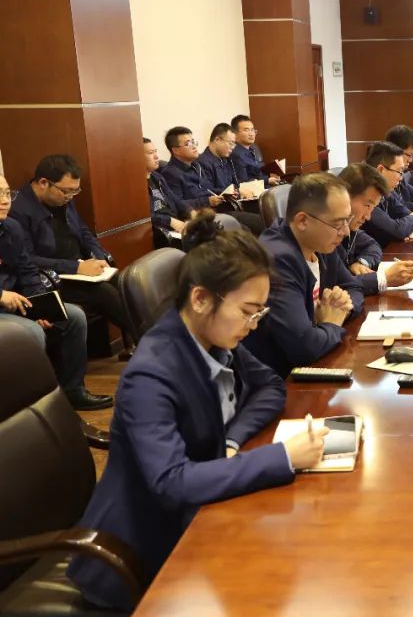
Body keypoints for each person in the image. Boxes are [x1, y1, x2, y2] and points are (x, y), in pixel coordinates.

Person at [67, 212, 329, 610]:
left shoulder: (212, 338)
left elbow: (271, 386)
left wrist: (232, 440)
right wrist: (282, 457)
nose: (253, 325)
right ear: (201, 298)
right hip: (140, 556)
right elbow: (171, 482)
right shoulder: (150, 375)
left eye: (259, 313)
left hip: (203, 514)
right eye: (248, 311)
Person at [0, 172, 108, 411]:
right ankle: (31, 407)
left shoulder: (11, 228)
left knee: (74, 317)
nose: (5, 200)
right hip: (3, 305)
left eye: (7, 193)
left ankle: (73, 391)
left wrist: (40, 304)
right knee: (31, 333)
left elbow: (28, 270)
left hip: (19, 300)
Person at [10, 154, 134, 358]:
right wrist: (76, 268)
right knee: (103, 292)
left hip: (79, 266)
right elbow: (28, 259)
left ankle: (143, 338)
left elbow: (83, 231)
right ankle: (151, 339)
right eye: (66, 191)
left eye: (75, 190)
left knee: (125, 281)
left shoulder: (64, 198)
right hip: (52, 277)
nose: (71, 196)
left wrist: (99, 256)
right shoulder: (18, 210)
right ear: (43, 183)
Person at [244, 173, 367, 375]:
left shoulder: (320, 241)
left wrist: (339, 310)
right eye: (338, 223)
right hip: (279, 378)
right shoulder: (278, 260)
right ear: (302, 220)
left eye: (348, 220)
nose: (345, 231)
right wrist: (331, 323)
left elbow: (354, 286)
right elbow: (304, 348)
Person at [162, 126, 264, 235]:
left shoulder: (196, 166)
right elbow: (177, 205)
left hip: (216, 211)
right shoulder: (170, 173)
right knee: (249, 229)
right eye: (188, 144)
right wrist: (207, 201)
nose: (194, 146)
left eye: (193, 142)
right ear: (175, 150)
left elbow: (208, 189)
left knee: (261, 219)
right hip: (200, 219)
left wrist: (226, 193)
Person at [337, 162, 413, 293]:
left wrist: (362, 263)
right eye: (367, 205)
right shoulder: (328, 234)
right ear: (345, 196)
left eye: (373, 207)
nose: (368, 217)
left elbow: (372, 245)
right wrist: (383, 278)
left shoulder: (351, 227)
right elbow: (340, 286)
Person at [363, 142, 413, 247]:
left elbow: (401, 211)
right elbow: (397, 230)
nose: (401, 178)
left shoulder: (385, 189)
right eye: (399, 172)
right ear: (381, 170)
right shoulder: (364, 195)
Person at [197, 123, 254, 199]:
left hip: (234, 200)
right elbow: (208, 191)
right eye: (231, 143)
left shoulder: (227, 160)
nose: (233, 147)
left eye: (234, 144)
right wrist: (236, 192)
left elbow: (235, 184)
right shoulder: (201, 162)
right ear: (217, 140)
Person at [230, 114, 282, 186]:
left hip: (265, 187)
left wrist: (270, 175)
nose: (251, 134)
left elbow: (258, 174)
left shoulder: (252, 150)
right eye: (246, 130)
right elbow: (243, 183)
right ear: (235, 133)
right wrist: (267, 180)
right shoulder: (236, 154)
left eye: (252, 130)